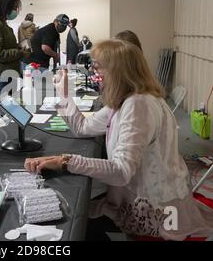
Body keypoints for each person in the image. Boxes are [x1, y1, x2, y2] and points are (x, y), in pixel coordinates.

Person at [25, 39, 213, 241]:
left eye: (98, 68)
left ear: (118, 72)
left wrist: (65, 161)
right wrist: (63, 95)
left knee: (73, 220)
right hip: (135, 196)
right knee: (71, 211)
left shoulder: (138, 105)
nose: (94, 75)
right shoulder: (126, 99)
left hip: (155, 209)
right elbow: (82, 127)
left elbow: (121, 172)